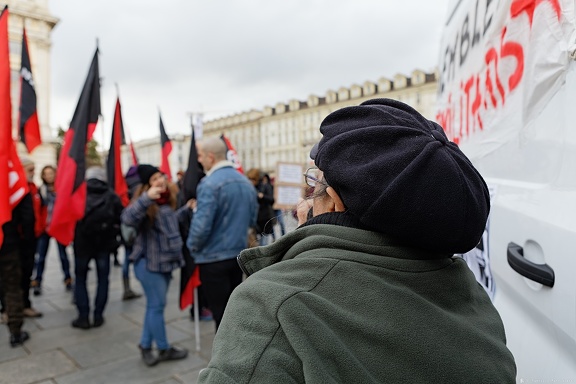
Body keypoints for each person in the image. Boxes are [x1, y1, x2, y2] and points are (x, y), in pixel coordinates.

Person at [198, 99, 517, 383]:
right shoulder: (475, 299)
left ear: (335, 203)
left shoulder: (274, 302)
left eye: (314, 185)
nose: (302, 205)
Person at [186, 137, 258, 331]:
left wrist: (192, 247)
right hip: (237, 254)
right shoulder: (244, 181)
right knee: (233, 310)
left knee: (220, 314)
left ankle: (225, 357)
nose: (198, 160)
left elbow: (201, 226)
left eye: (200, 155)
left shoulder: (209, 184)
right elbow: (253, 219)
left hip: (213, 257)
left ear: (210, 157)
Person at [121, 164, 189, 366]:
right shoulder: (144, 203)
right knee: (156, 307)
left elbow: (169, 223)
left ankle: (145, 345)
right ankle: (163, 348)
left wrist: (186, 210)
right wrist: (145, 198)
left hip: (166, 264)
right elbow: (127, 218)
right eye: (153, 179)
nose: (160, 181)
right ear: (145, 186)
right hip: (149, 265)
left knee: (155, 307)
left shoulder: (166, 200)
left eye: (160, 176)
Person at [71, 166, 123, 329]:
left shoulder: (78, 194)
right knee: (103, 279)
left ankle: (83, 316)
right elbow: (121, 217)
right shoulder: (111, 195)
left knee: (80, 278)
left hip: (82, 243)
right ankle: (98, 315)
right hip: (104, 244)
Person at [0, 192, 35, 347]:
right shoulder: (16, 185)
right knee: (12, 286)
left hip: (9, 242)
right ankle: (15, 331)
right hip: (9, 244)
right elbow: (28, 218)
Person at [32, 165, 72, 295]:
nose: (49, 176)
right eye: (46, 174)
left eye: (51, 173)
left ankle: (68, 278)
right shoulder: (41, 190)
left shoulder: (60, 188)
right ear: (43, 176)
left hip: (58, 225)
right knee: (41, 256)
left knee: (63, 255)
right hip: (45, 227)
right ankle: (38, 280)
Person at [119, 165, 142, 301]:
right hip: (135, 229)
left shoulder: (123, 185)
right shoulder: (138, 187)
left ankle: (126, 288)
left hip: (125, 231)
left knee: (127, 259)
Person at [246, 168, 275, 246]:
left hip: (265, 218)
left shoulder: (265, 186)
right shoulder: (249, 189)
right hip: (255, 220)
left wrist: (262, 196)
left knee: (264, 243)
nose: (250, 182)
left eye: (252, 180)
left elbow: (272, 199)